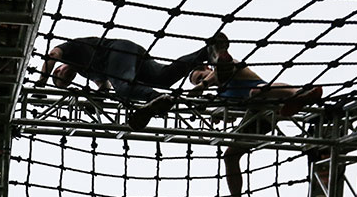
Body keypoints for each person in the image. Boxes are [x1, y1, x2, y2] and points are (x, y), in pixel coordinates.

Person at [189, 43, 323, 197]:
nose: (199, 82)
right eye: (197, 81)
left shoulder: (230, 67)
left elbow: (221, 70)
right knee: (230, 155)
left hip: (269, 102)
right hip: (260, 118)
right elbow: (230, 117)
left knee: (255, 92)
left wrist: (204, 84)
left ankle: (300, 94)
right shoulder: (222, 95)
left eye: (199, 77)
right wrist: (217, 115)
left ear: (207, 68)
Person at [36, 34, 228, 129]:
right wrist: (95, 104)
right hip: (129, 53)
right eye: (67, 82)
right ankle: (207, 51)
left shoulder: (70, 49)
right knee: (163, 78)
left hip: (117, 53)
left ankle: (157, 98)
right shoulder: (87, 74)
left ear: (59, 68)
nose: (67, 78)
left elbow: (53, 53)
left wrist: (42, 81)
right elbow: (104, 86)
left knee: (124, 89)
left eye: (61, 76)